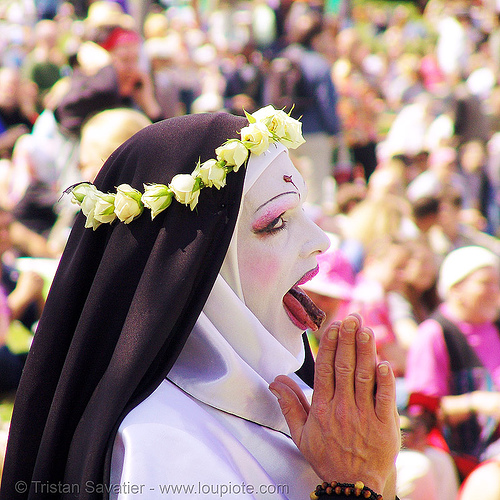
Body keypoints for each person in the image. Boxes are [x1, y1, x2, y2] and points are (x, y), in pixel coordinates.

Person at [0, 106, 400, 499]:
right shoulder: (158, 449)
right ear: (196, 265)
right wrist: (356, 484)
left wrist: (377, 473)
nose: (320, 240)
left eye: (302, 211)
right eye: (275, 221)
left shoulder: (301, 400)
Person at [405, 245, 500, 479]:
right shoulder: (435, 333)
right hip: (457, 459)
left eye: (496, 283)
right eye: (485, 283)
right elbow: (423, 411)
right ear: (456, 288)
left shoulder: (495, 327)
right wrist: (476, 402)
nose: (494, 291)